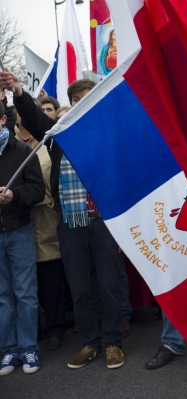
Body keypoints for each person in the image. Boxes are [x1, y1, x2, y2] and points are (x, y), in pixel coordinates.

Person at [1, 70, 126, 369]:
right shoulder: (59, 134)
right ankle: (89, 343)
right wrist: (18, 92)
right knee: (79, 286)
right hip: (70, 222)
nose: (81, 104)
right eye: (75, 100)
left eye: (86, 99)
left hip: (103, 221)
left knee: (109, 284)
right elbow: (33, 118)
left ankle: (113, 342)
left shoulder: (110, 135)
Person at [14, 111, 66, 351]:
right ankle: (30, 329)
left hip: (46, 215)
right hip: (17, 217)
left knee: (50, 273)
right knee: (21, 281)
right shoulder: (9, 143)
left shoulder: (46, 141)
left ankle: (56, 326)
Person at [0, 101, 45, 376]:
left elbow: (38, 190)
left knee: (25, 293)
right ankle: (9, 349)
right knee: (3, 296)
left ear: (3, 120)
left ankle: (29, 347)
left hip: (19, 230)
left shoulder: (23, 151)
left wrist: (13, 195)